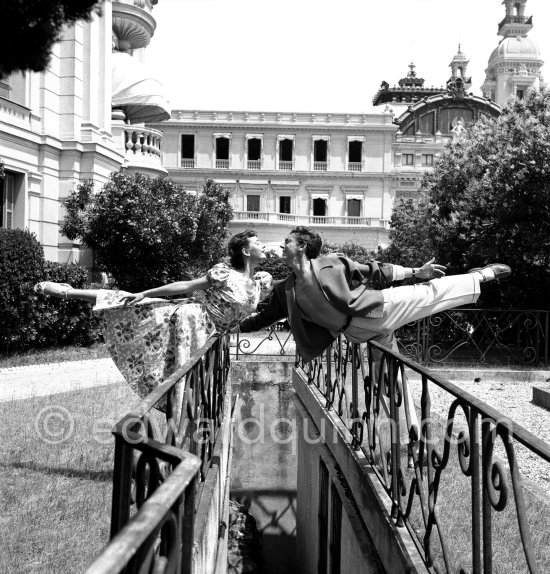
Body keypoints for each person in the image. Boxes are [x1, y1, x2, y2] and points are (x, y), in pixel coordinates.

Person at [34, 230, 272, 403]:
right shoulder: (225, 274)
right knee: (127, 300)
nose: (262, 245)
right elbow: (186, 285)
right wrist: (144, 291)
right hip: (192, 322)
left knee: (194, 388)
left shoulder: (258, 283)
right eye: (257, 242)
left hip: (212, 336)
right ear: (245, 251)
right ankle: (67, 291)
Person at [238, 226, 511, 361]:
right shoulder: (286, 291)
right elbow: (261, 320)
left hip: (379, 308)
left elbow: (374, 270)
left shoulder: (331, 263)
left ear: (302, 247)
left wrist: (416, 271)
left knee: (428, 293)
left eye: (287, 241)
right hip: (360, 333)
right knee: (389, 384)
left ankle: (480, 276)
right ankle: (407, 437)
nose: (281, 246)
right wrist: (230, 328)